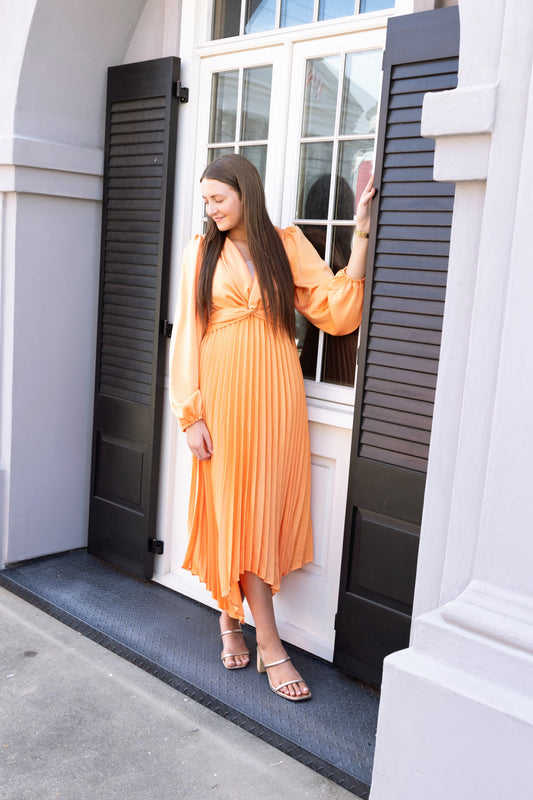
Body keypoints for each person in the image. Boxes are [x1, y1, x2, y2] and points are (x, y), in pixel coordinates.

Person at [170, 154, 375, 701]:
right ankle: (270, 642)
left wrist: (358, 238)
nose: (210, 209)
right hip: (224, 392)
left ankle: (231, 618)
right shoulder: (200, 252)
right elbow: (187, 334)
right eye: (206, 199)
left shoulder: (284, 244)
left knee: (259, 506)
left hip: (277, 390)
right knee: (232, 503)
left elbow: (335, 310)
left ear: (246, 193)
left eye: (219, 198)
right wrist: (191, 414)